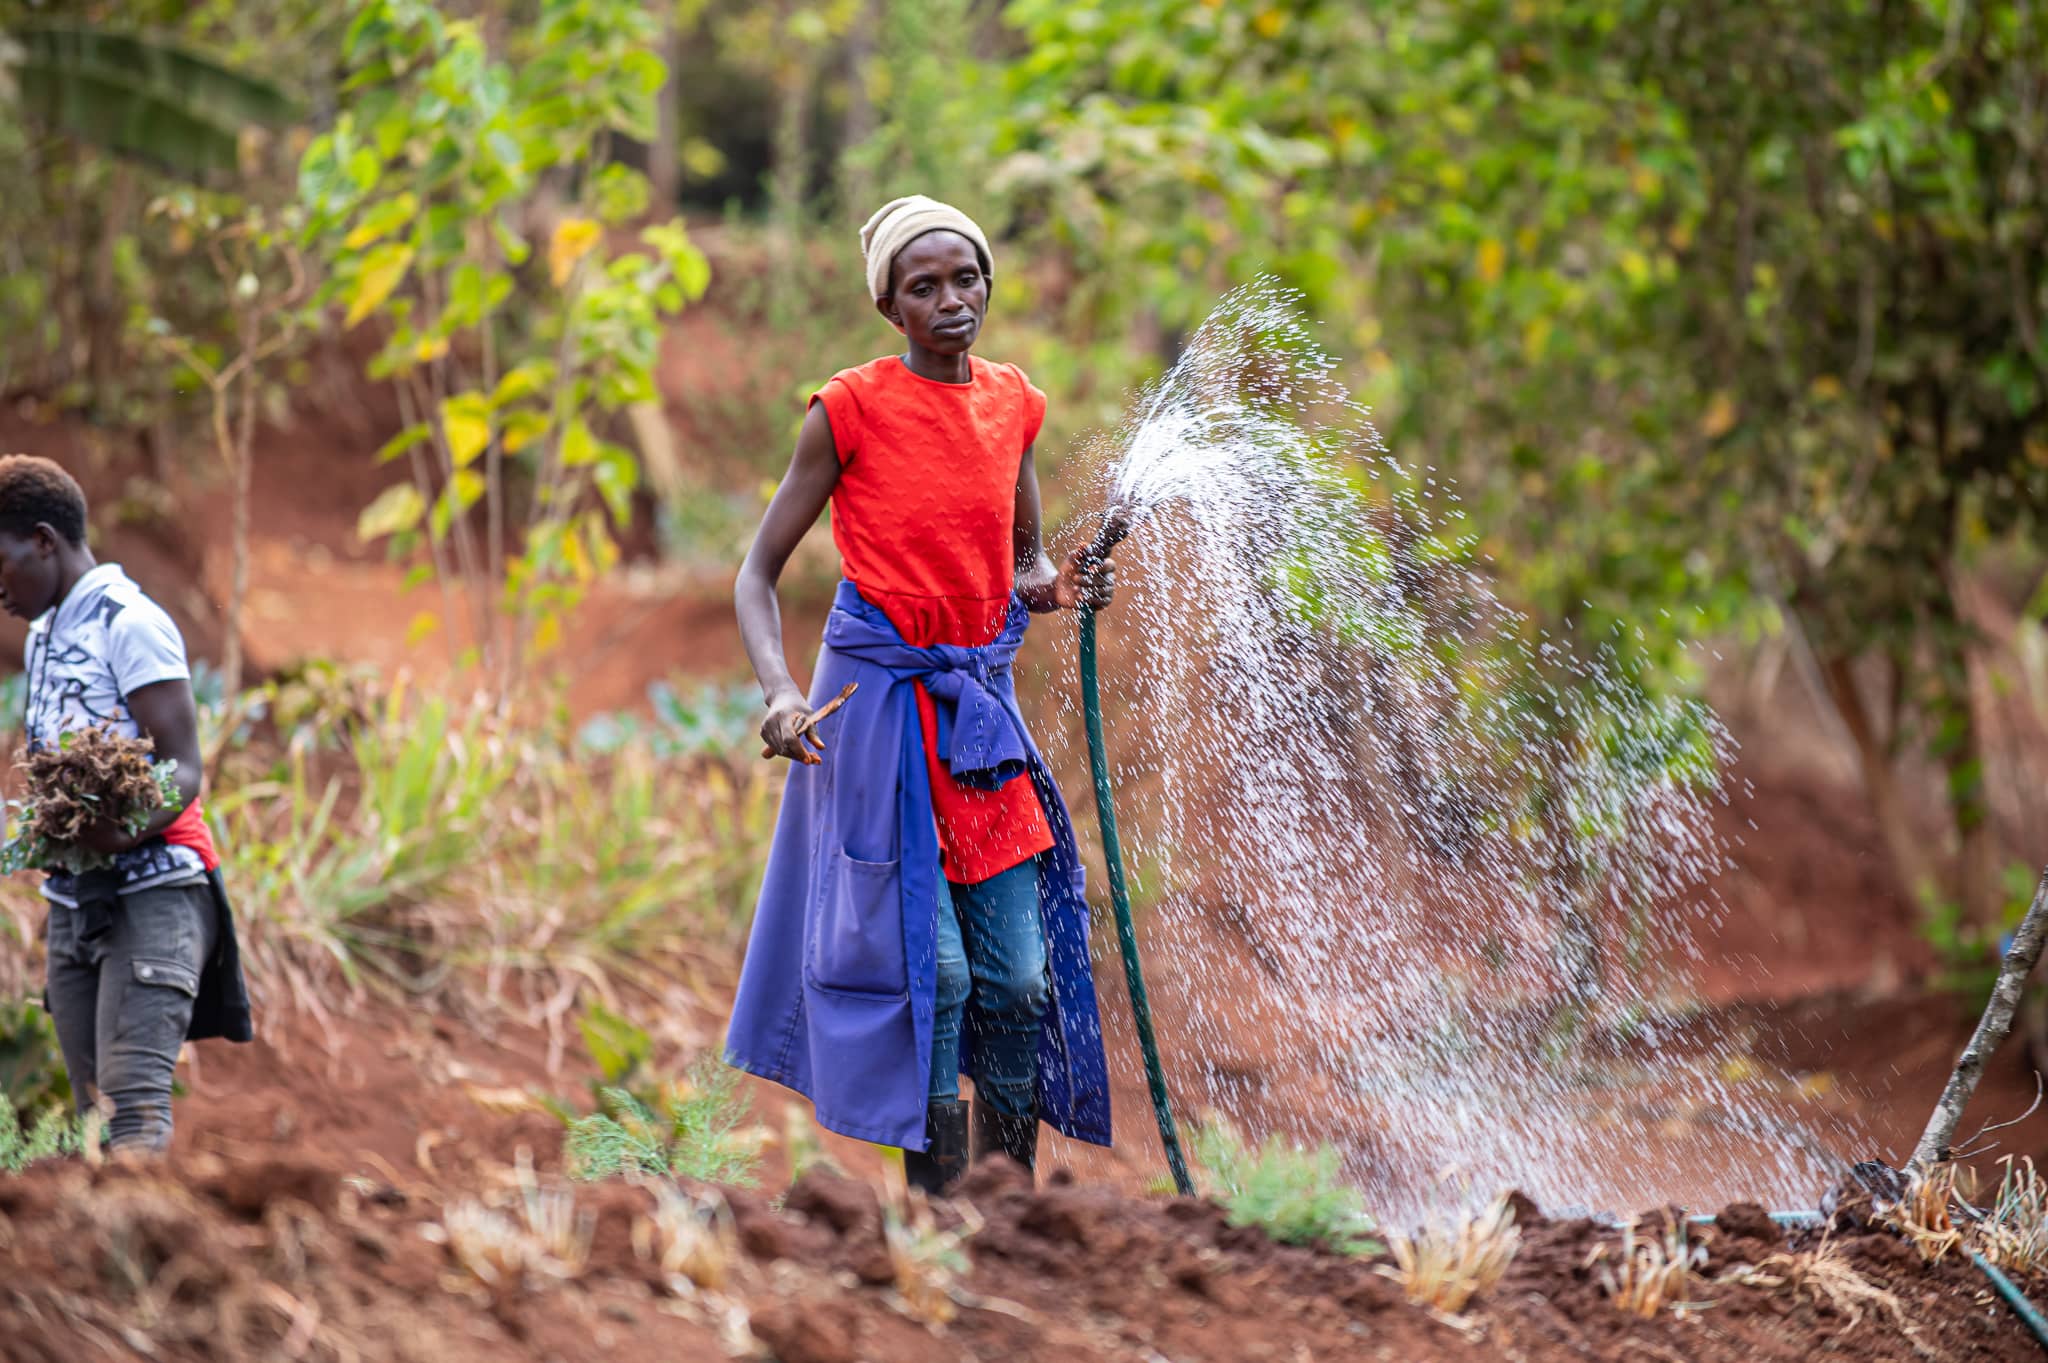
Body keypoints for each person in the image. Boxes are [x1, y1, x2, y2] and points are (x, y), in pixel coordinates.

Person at [725, 196, 1117, 1191]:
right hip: (872, 710)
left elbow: (1021, 565)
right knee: (928, 974)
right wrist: (778, 694)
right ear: (889, 308)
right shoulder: (848, 408)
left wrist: (1059, 586)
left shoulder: (1012, 402)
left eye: (965, 278)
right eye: (923, 286)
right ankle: (937, 1218)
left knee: (1017, 976)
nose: (951, 301)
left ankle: (1009, 1212)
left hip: (974, 715)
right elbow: (756, 573)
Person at [0, 454, 251, 1155]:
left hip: (155, 895)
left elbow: (183, 768)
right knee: (93, 1125)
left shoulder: (130, 621)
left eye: (2, 561)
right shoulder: (45, 635)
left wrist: (118, 831)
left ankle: (156, 1257)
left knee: (132, 1115)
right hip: (77, 905)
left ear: (44, 541)